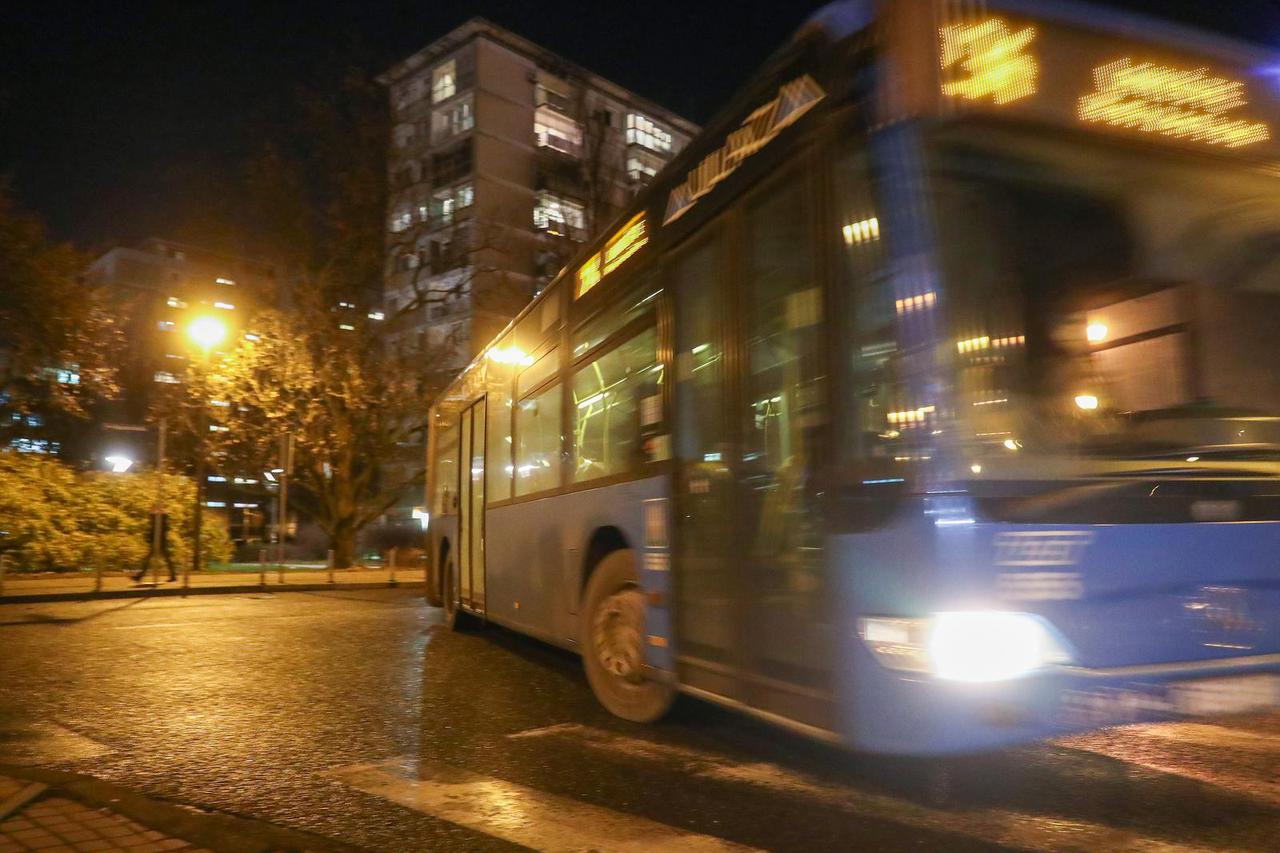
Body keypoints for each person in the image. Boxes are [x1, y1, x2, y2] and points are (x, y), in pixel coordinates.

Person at [133, 511, 176, 583]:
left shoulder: (160, 523)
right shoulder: (160, 522)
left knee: (148, 559)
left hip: (160, 543)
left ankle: (139, 576)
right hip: (159, 542)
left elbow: (155, 527)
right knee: (166, 560)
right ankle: (139, 576)